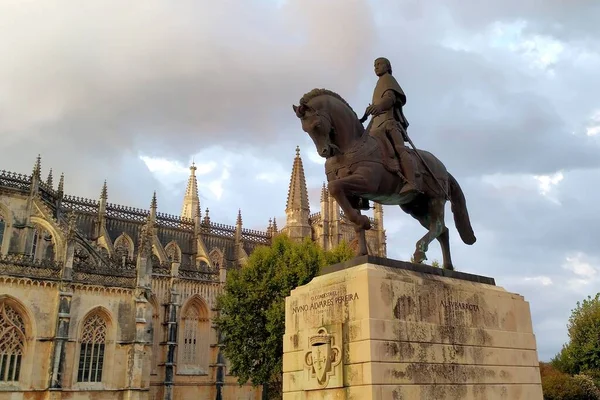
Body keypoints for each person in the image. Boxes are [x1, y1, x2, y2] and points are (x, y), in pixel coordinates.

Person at [364, 57, 419, 195]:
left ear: (387, 67)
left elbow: (390, 99)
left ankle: (411, 181)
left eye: (379, 64)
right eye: (374, 65)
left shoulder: (388, 80)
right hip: (376, 125)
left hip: (389, 122)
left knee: (400, 149)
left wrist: (378, 107)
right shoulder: (379, 83)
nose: (376, 67)